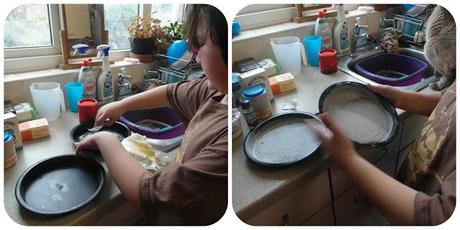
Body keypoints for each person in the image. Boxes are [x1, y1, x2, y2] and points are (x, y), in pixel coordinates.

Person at [76, 4, 228, 225]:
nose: (195, 59)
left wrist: (105, 139)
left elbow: (153, 200)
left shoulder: (224, 141)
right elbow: (171, 92)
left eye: (201, 43)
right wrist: (122, 106)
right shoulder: (215, 92)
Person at [312, 6, 455, 225]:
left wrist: (348, 160)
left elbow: (438, 217)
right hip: (418, 181)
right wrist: (400, 98)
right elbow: (452, 100)